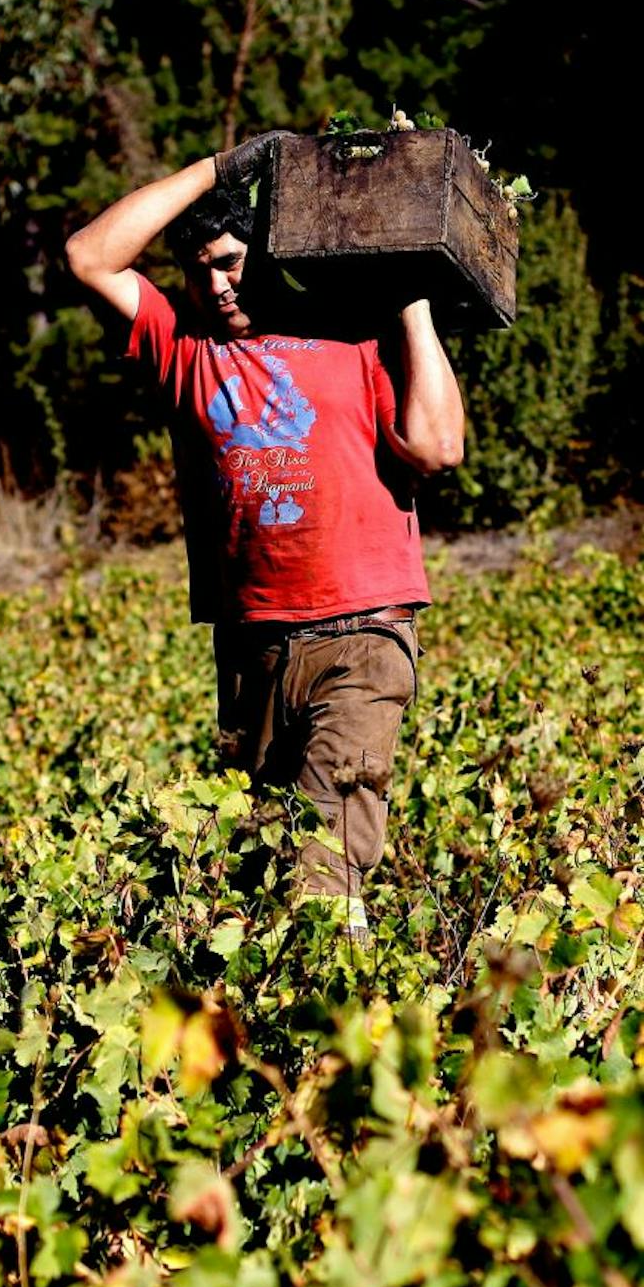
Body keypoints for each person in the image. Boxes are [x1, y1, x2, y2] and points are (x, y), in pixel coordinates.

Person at [65, 132, 465, 937]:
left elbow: (438, 447)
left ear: (273, 255)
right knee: (260, 863)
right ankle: (285, 1035)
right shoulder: (183, 351)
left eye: (234, 262)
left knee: (324, 868)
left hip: (363, 632)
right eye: (202, 267)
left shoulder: (353, 338)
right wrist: (222, 169)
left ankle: (345, 1041)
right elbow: (88, 256)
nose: (217, 283)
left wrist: (412, 295)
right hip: (253, 650)